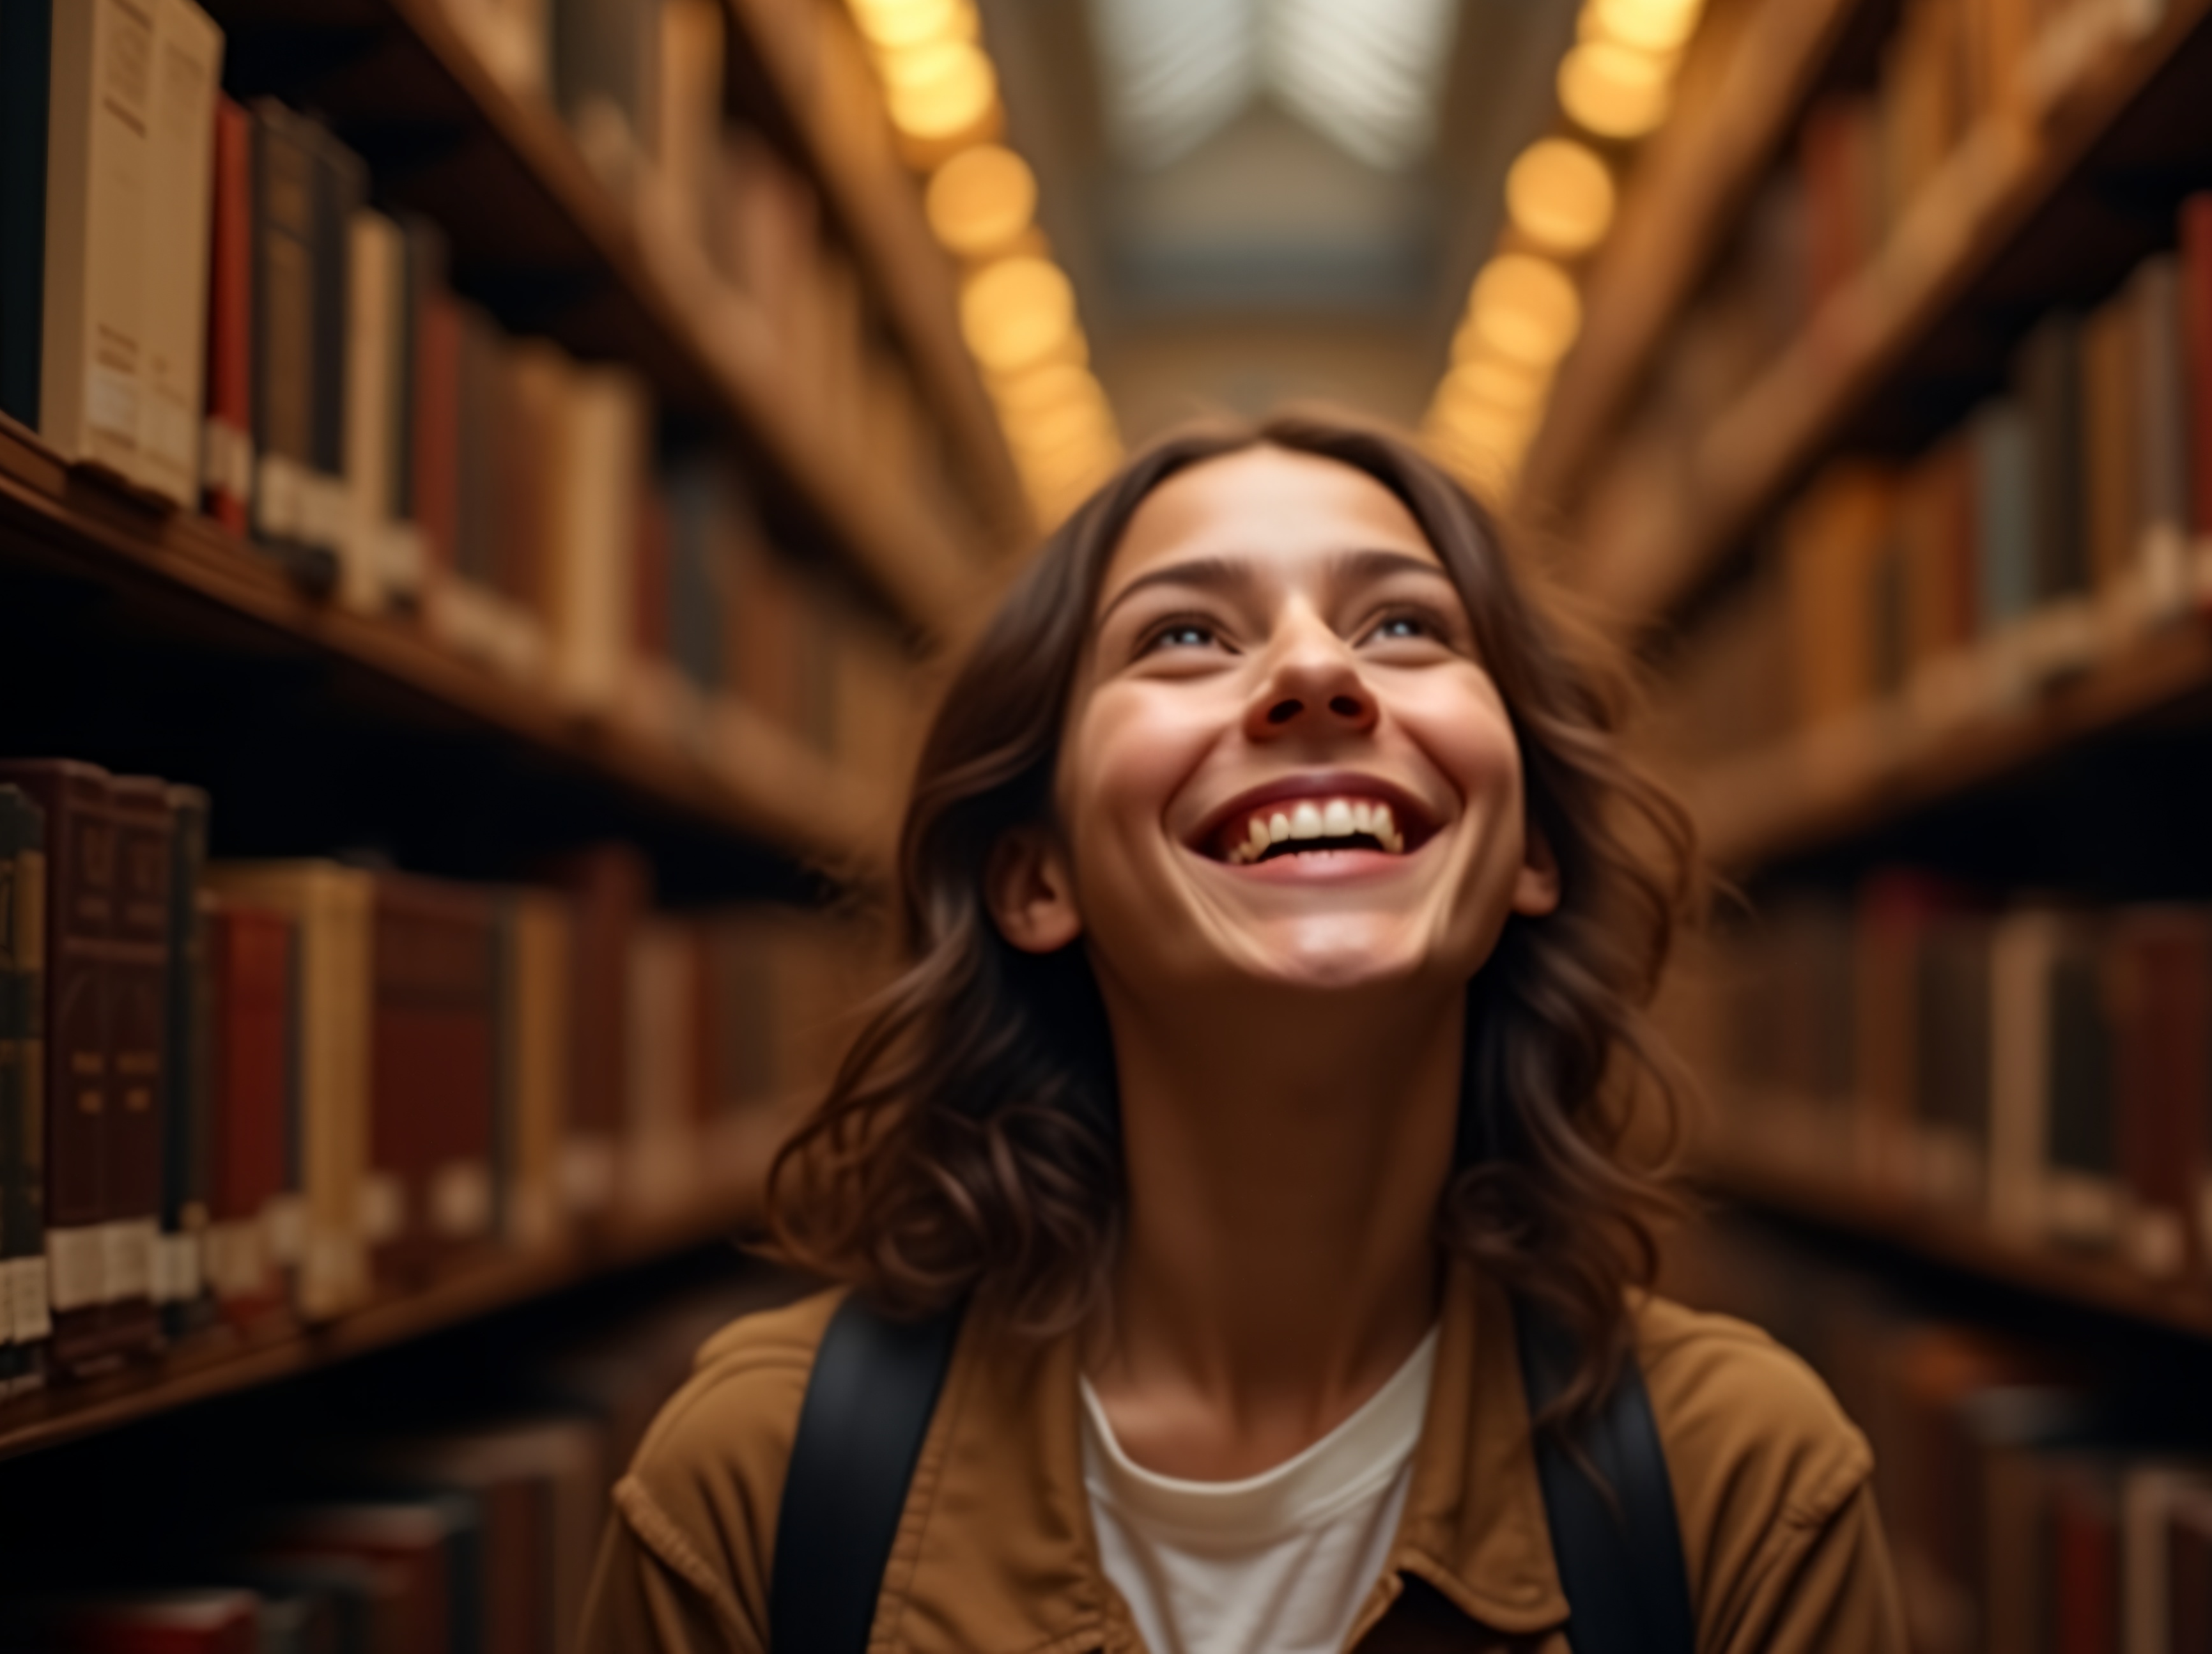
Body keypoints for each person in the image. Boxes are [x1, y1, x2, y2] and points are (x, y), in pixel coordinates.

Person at [583, 417, 1904, 1654]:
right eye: (1180, 640)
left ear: (1531, 853)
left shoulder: (1740, 1488)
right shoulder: (757, 1487)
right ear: (1034, 878)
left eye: (1400, 624)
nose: (1316, 672)